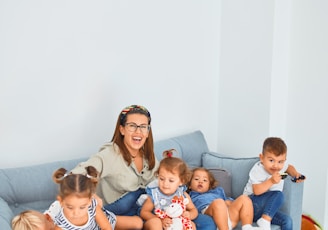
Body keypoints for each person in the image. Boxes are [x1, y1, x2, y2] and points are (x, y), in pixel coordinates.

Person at [71, 104, 158, 222]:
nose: (138, 131)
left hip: (140, 212)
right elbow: (75, 175)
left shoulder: (148, 156)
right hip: (113, 212)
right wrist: (90, 195)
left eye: (143, 127)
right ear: (122, 129)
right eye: (132, 126)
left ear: (148, 132)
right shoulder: (110, 154)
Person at [243, 137, 306, 230]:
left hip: (265, 211)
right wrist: (271, 181)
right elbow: (256, 191)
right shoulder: (258, 169)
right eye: (271, 160)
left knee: (287, 220)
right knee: (278, 194)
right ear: (262, 158)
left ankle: (265, 219)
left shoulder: (281, 167)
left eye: (280, 161)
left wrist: (295, 174)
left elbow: (289, 167)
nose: (276, 166)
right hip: (251, 207)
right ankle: (264, 221)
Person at [140, 149, 198, 230]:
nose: (165, 183)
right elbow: (144, 212)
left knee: (191, 224)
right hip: (159, 224)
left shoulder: (182, 195)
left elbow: (193, 210)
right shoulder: (154, 194)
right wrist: (161, 220)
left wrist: (190, 214)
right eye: (162, 179)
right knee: (155, 222)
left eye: (171, 180)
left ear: (181, 181)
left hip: (176, 224)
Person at [188, 167, 262, 230]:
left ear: (209, 185)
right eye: (196, 179)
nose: (200, 181)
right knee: (218, 202)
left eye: (205, 180)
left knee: (244, 199)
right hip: (210, 215)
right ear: (190, 185)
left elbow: (229, 201)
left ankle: (247, 227)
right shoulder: (190, 195)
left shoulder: (217, 192)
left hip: (228, 216)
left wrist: (228, 202)